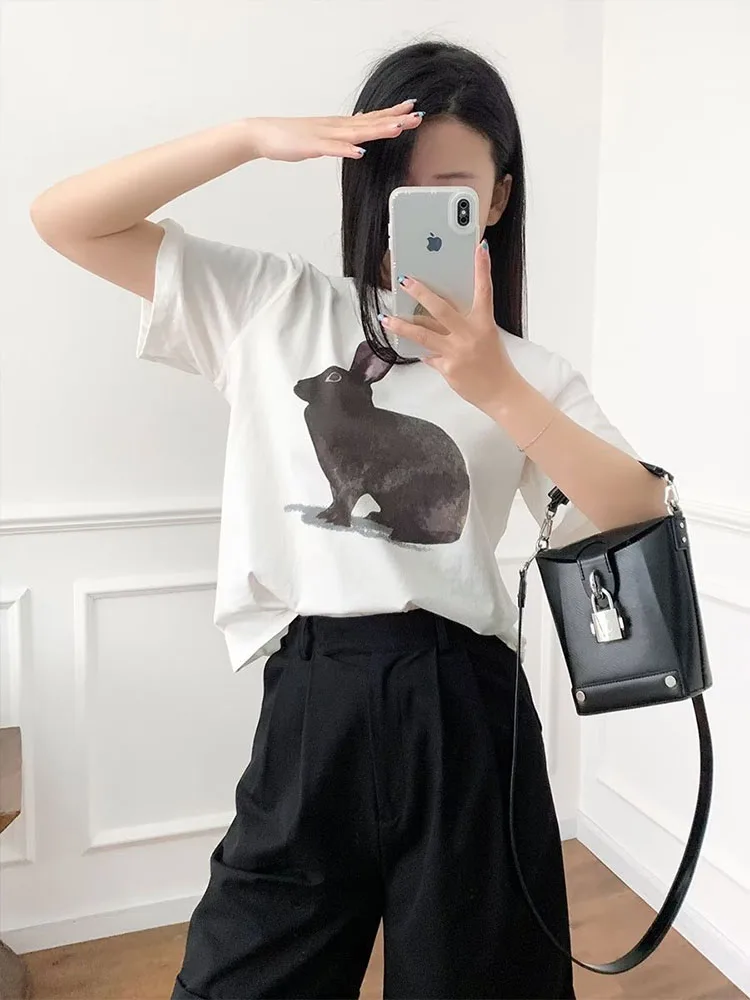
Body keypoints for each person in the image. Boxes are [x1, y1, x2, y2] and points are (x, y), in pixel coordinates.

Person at [31, 38, 664, 1000]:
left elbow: (637, 508)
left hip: (465, 709)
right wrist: (248, 137)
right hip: (312, 696)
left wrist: (496, 385)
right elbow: (64, 220)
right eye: (396, 189)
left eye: (452, 192)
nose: (419, 216)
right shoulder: (271, 305)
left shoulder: (531, 372)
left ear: (496, 200)